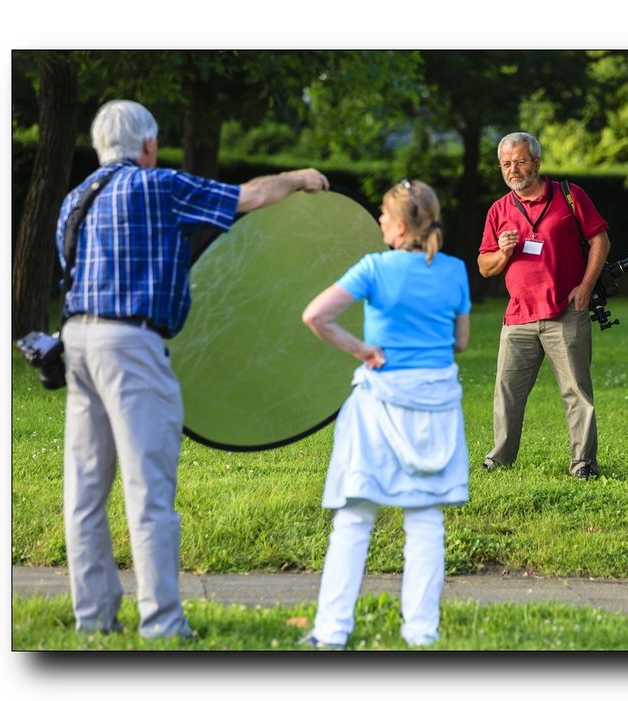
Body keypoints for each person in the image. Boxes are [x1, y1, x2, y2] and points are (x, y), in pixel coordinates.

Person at [56, 99, 330, 638]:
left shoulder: (74, 199)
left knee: (85, 492)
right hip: (131, 344)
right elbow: (250, 197)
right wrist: (299, 177)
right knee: (148, 489)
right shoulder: (158, 186)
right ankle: (161, 623)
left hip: (76, 343)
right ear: (149, 146)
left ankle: (93, 620)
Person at [300, 179, 471, 649]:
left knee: (354, 519)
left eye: (382, 214)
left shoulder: (374, 268)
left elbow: (315, 315)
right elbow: (459, 342)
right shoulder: (455, 270)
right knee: (426, 522)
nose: (377, 221)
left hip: (380, 405)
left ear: (398, 225)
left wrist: (361, 349)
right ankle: (421, 636)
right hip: (436, 406)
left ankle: (331, 634)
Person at [477, 132, 611, 479]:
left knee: (576, 392)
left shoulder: (570, 196)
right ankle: (500, 458)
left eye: (520, 161)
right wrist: (504, 252)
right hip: (518, 316)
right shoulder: (499, 210)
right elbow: (484, 266)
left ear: (536, 162)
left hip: (565, 312)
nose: (513, 169)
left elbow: (600, 239)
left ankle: (583, 462)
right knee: (506, 392)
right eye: (506, 164)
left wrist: (586, 286)